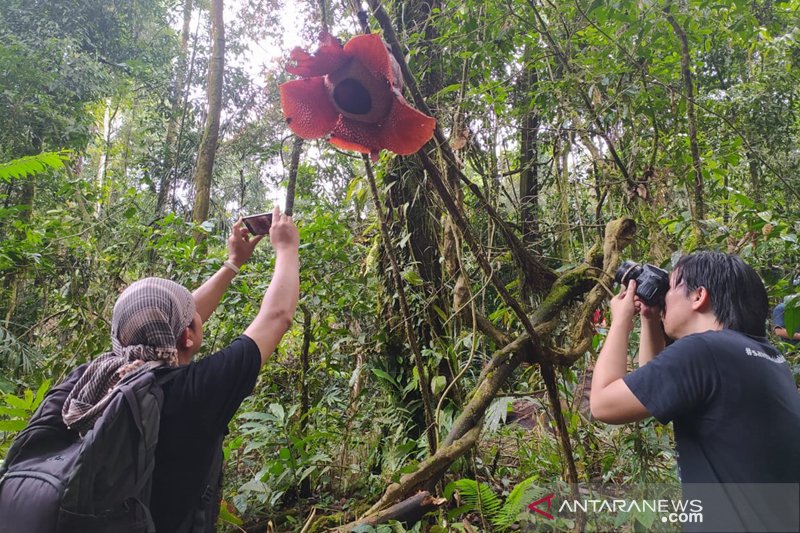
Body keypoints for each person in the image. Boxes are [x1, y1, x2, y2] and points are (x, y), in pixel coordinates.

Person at [27, 206, 297, 532]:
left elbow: (162, 323)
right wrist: (286, 247)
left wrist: (232, 264)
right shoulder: (195, 393)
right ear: (187, 335)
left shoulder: (88, 382)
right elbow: (277, 317)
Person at [590, 252, 800, 531]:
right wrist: (651, 319)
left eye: (672, 287)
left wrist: (620, 321)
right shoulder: (768, 357)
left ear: (699, 296)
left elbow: (604, 404)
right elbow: (652, 390)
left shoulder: (705, 350)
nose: (664, 297)